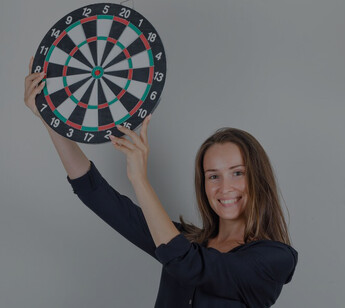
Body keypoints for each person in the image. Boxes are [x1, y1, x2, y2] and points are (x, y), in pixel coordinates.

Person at [24, 57, 298, 307]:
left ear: (259, 179)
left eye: (237, 172)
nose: (224, 187)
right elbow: (95, 194)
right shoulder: (185, 240)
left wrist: (139, 179)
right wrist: (51, 119)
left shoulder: (275, 259)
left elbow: (187, 263)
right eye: (213, 175)